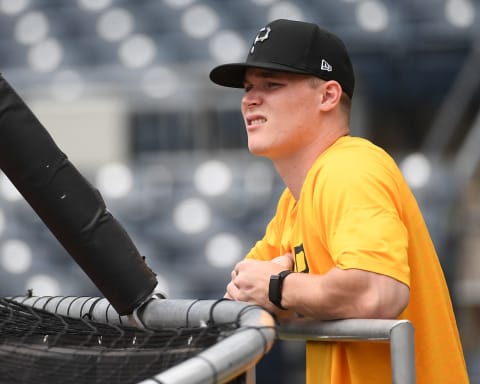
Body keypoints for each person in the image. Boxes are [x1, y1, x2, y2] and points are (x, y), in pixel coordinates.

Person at [209, 19, 469, 383]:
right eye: (249, 87)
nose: (250, 98)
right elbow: (241, 292)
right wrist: (278, 291)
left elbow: (379, 292)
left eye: (272, 84)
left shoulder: (350, 168)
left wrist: (278, 287)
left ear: (328, 96)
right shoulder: (294, 200)